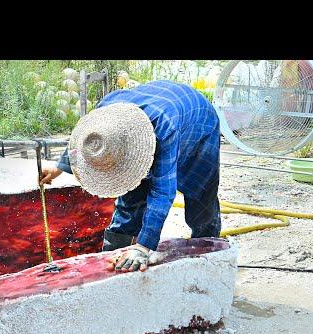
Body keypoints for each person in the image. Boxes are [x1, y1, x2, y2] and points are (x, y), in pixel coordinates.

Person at [40, 80, 221, 272]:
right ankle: (116, 253)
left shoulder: (164, 127)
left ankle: (211, 257)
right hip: (160, 108)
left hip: (198, 122)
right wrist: (59, 168)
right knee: (131, 196)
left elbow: (162, 193)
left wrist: (144, 246)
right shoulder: (105, 112)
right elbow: (83, 140)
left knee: (200, 196)